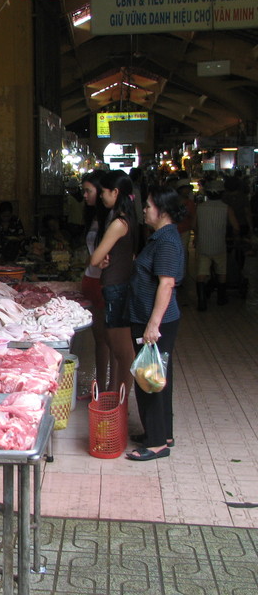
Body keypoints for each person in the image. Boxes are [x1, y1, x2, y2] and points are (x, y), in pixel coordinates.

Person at [126, 185, 186, 461]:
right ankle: (162, 432)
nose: (145, 210)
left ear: (162, 210)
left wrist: (153, 325)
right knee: (158, 376)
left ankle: (157, 443)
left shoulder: (167, 241)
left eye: (149, 205)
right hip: (149, 317)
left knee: (148, 378)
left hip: (154, 321)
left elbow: (167, 285)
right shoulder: (159, 237)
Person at [90, 170, 137, 394]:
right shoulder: (129, 218)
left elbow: (95, 257)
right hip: (119, 285)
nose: (101, 196)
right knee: (120, 349)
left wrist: (101, 260)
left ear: (115, 192)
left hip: (116, 288)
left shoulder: (118, 222)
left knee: (122, 351)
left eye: (104, 192)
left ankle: (121, 399)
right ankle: (119, 398)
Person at [79, 169, 114, 393]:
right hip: (92, 280)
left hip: (103, 283)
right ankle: (101, 386)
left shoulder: (112, 218)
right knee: (99, 340)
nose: (85, 195)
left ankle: (110, 388)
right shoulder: (95, 217)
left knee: (109, 340)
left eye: (88, 190)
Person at [194, 180, 240, 310]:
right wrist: (234, 235)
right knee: (221, 271)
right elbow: (236, 227)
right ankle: (221, 298)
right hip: (219, 244)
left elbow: (193, 225)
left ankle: (202, 301)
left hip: (203, 245)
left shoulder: (200, 207)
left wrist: (199, 235)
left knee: (202, 273)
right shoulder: (226, 208)